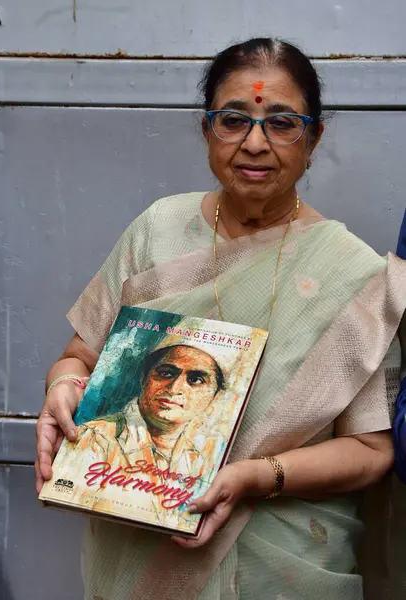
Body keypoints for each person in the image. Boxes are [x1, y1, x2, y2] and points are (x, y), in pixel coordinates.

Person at [35, 37, 406, 600]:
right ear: (207, 130)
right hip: (137, 544)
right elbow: (81, 354)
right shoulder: (158, 228)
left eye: (282, 123)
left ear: (314, 138)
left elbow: (372, 451)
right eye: (234, 120)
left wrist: (257, 476)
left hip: (282, 565)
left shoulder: (355, 276)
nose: (255, 144)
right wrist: (63, 385)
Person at [52, 339, 228, 530]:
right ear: (144, 378)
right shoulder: (94, 438)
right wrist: (63, 383)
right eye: (166, 373)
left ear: (214, 396)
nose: (175, 388)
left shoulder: (200, 458)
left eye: (195, 380)